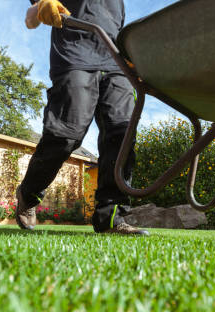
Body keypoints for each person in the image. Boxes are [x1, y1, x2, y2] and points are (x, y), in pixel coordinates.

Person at [16, 0, 149, 235]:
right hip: (75, 55)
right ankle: (28, 194)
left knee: (122, 135)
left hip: (117, 64)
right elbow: (30, 18)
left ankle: (111, 218)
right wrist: (40, 8)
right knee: (66, 133)